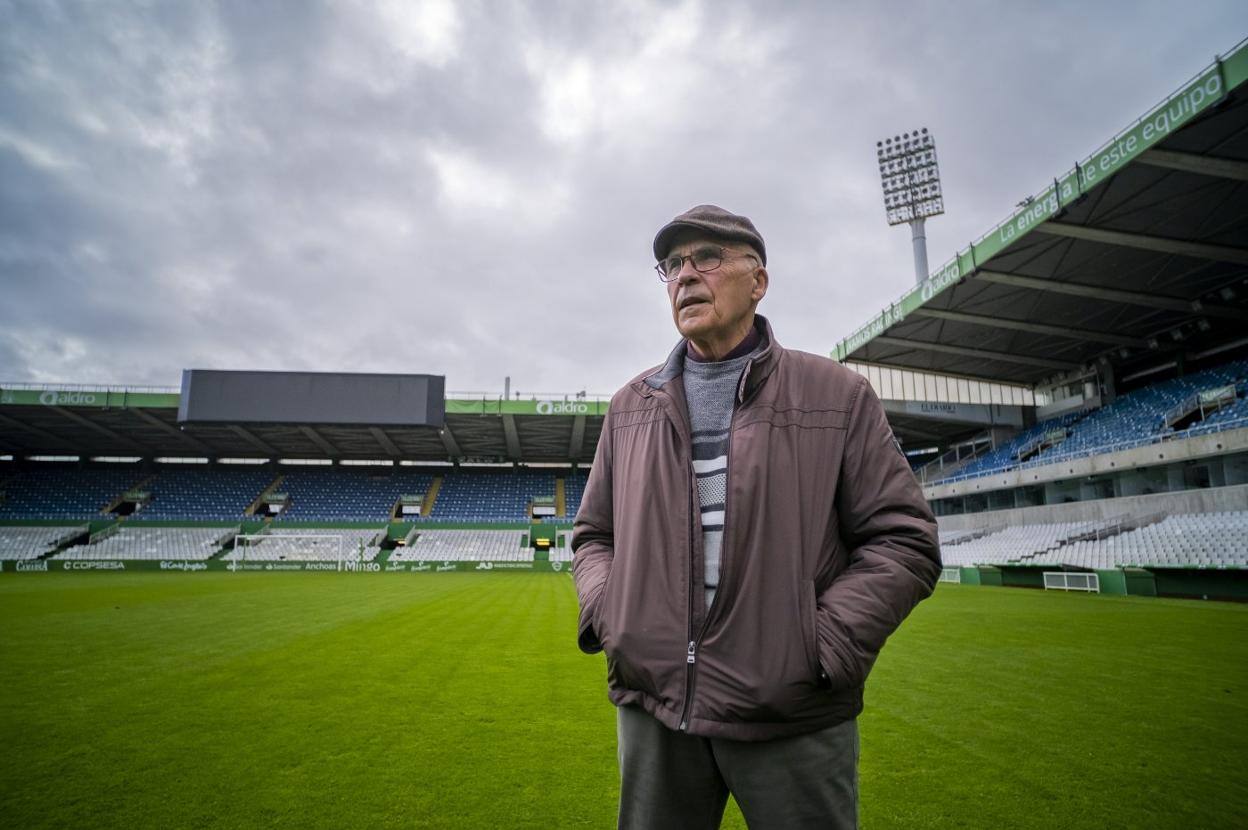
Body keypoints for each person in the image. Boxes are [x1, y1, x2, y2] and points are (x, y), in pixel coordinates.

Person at [572, 204, 941, 829]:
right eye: (672, 265)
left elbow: (903, 541)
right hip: (656, 705)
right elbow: (593, 535)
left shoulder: (836, 395)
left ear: (759, 282)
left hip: (789, 707)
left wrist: (819, 648)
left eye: (707, 259)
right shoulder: (629, 407)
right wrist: (614, 617)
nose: (685, 276)